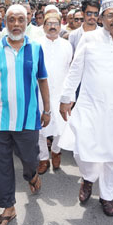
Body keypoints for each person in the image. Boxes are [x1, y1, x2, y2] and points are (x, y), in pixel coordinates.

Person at [59, 0, 113, 217]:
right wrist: (66, 97)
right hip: (89, 105)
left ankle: (107, 196)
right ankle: (88, 178)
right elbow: (76, 69)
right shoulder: (89, 38)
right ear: (102, 18)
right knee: (83, 151)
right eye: (110, 15)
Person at [0, 4, 50, 225]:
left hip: (28, 119)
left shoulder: (36, 48)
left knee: (31, 160)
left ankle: (31, 176)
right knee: (2, 166)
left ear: (27, 21)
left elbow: (43, 80)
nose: (16, 24)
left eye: (20, 19)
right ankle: (8, 207)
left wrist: (47, 109)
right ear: (5, 22)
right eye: (11, 20)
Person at [37, 13, 72, 175]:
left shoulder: (67, 45)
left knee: (61, 125)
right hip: (39, 92)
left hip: (60, 92)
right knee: (40, 127)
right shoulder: (35, 44)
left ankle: (56, 151)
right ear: (43, 26)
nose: (52, 26)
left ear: (60, 26)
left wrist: (69, 96)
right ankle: (43, 158)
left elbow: (70, 70)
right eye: (49, 23)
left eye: (56, 24)